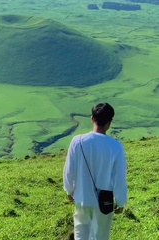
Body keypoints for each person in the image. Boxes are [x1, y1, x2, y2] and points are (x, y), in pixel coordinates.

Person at [63, 102, 127, 240]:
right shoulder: (116, 147)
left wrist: (69, 190)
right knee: (100, 236)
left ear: (92, 118)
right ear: (110, 122)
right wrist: (121, 201)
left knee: (80, 234)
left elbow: (69, 170)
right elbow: (119, 178)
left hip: (81, 197)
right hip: (105, 201)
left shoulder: (77, 141)